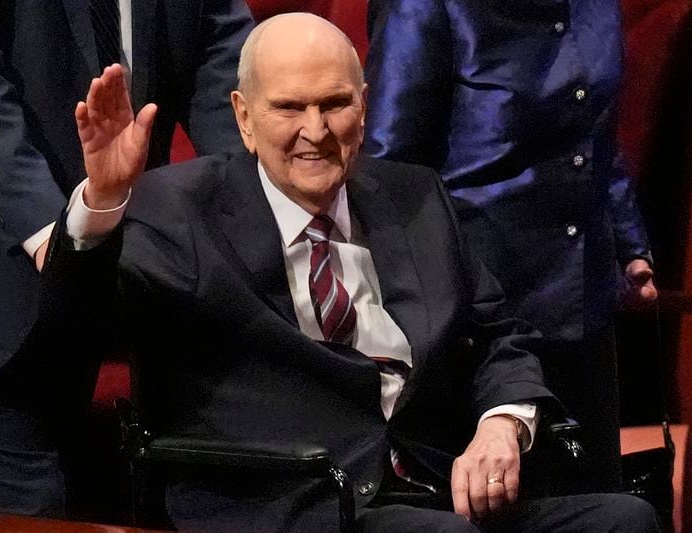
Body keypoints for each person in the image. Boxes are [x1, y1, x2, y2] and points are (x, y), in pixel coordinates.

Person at [42, 13, 660, 531]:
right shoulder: (182, 208)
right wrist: (101, 205)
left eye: (335, 104)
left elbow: (497, 334)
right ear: (244, 117)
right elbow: (82, 326)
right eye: (289, 107)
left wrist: (503, 425)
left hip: (432, 482)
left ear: (363, 109)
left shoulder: (415, 197)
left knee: (624, 520)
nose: (316, 131)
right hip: (288, 499)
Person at [0, 0, 252, 517]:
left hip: (103, 243)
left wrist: (254, 207)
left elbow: (222, 52)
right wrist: (58, 243)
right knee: (19, 505)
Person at [363, 0, 657, 494]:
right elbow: (390, 168)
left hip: (584, 295)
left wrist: (631, 245)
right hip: (479, 313)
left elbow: (596, 131)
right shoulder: (425, 7)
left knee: (597, 505)